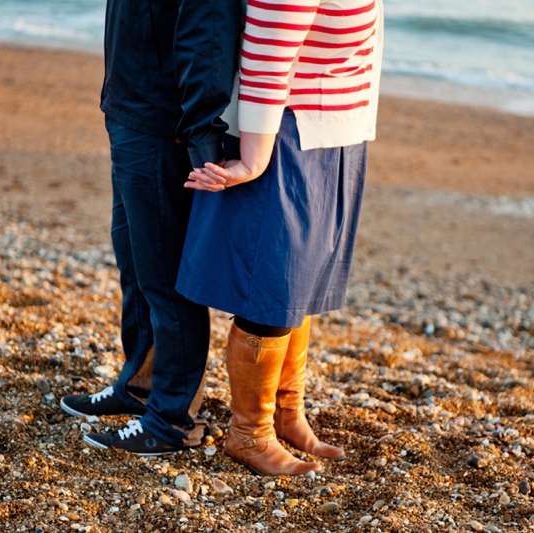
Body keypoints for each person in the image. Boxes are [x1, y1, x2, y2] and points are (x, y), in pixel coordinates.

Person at [177, 0, 383, 475]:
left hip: (331, 123)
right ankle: (250, 432)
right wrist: (255, 156)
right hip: (286, 129)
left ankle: (286, 413)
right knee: (273, 287)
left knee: (300, 284)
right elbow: (270, 43)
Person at [59, 0, 241, 455]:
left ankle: (173, 421)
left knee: (164, 278)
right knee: (135, 263)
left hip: (165, 124)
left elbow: (210, 32)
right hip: (127, 107)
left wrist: (201, 137)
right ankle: (139, 386)